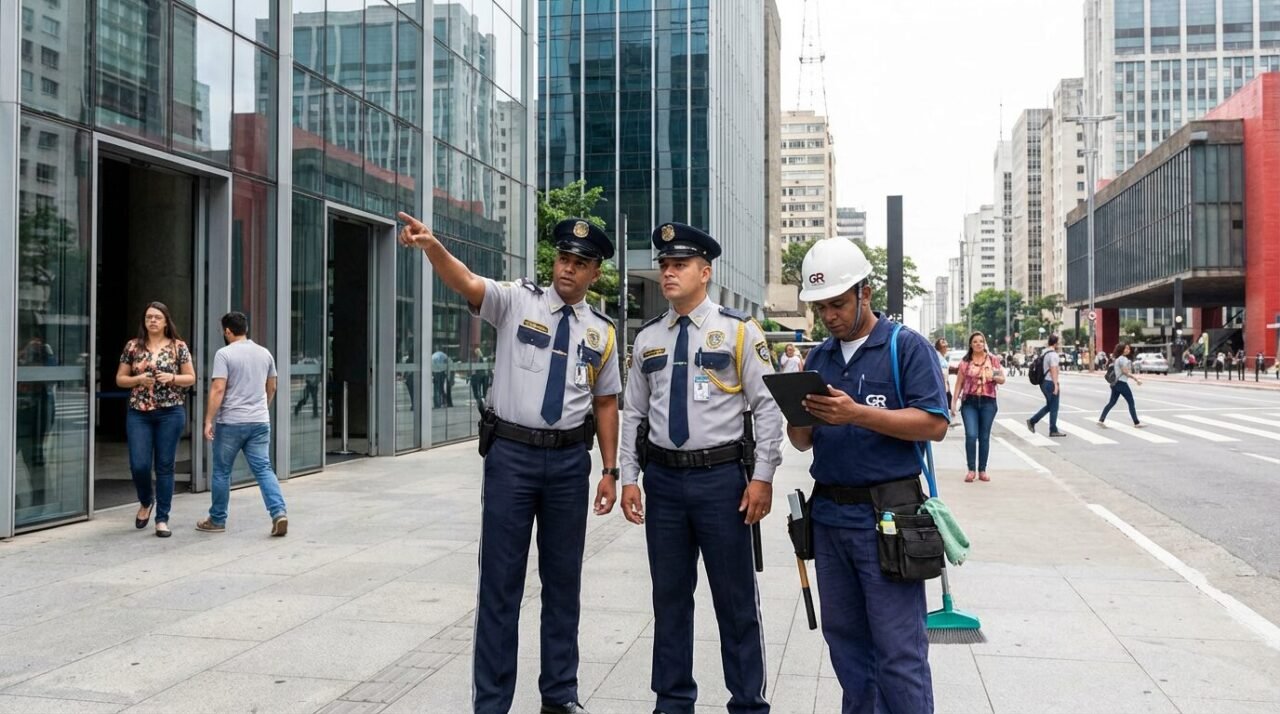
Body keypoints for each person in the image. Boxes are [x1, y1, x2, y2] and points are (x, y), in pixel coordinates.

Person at [399, 212, 620, 714]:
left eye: (579, 262)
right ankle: (492, 703)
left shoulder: (601, 332)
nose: (567, 268)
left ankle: (559, 696)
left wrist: (610, 471)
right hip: (512, 459)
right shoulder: (517, 301)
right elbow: (467, 281)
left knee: (563, 584)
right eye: (563, 258)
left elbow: (606, 402)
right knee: (500, 584)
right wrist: (433, 246)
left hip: (569, 465)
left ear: (595, 272)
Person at [618, 222, 783, 714]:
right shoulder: (648, 337)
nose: (668, 273)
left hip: (721, 481)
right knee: (669, 600)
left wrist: (763, 477)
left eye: (680, 265)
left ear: (705, 272)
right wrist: (629, 477)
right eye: (664, 265)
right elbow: (634, 413)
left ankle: (748, 703)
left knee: (735, 602)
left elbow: (768, 407)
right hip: (664, 482)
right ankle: (672, 703)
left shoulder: (738, 331)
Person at [785, 238, 949, 714]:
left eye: (838, 303)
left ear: (866, 293)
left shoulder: (904, 347)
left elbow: (934, 424)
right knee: (846, 644)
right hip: (830, 517)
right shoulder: (819, 358)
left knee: (898, 651)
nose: (829, 316)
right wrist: (797, 414)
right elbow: (802, 441)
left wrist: (856, 413)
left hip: (888, 518)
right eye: (820, 307)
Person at [197, 312, 288, 537]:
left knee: (221, 471)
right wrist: (263, 408)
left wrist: (208, 420)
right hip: (259, 421)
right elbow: (272, 386)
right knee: (263, 469)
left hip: (231, 423)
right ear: (245, 329)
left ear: (227, 331)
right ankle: (278, 512)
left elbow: (218, 389)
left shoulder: (224, 354)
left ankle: (217, 519)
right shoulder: (264, 353)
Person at [115, 302, 196, 538]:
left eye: (157, 317)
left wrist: (172, 377)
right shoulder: (133, 346)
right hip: (139, 412)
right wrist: (138, 379)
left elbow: (191, 377)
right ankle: (145, 500)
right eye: (148, 317)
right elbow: (120, 379)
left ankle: (162, 518)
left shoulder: (178, 346)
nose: (152, 321)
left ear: (166, 321)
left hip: (170, 412)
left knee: (165, 465)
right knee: (139, 464)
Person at [952, 332, 1004, 483]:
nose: (978, 344)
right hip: (969, 402)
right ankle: (971, 470)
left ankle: (982, 470)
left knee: (984, 437)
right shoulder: (965, 362)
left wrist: (993, 376)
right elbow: (959, 383)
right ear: (971, 344)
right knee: (971, 435)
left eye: (981, 341)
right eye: (975, 342)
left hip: (988, 402)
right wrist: (953, 402)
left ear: (984, 343)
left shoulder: (992, 360)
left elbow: (1002, 379)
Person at [1026, 335, 1066, 438]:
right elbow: (1053, 370)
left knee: (1050, 406)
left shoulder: (1044, 353)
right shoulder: (1053, 355)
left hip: (1043, 382)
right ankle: (1053, 430)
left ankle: (1032, 421)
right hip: (1050, 382)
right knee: (1054, 407)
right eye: (1058, 343)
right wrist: (1056, 385)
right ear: (1055, 343)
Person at [1098, 341, 1144, 428]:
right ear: (1121, 349)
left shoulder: (1118, 359)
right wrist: (1136, 379)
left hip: (1115, 384)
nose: (1128, 350)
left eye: (1128, 348)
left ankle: (1101, 420)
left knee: (1112, 402)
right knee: (1131, 402)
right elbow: (1125, 372)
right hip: (1121, 384)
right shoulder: (1123, 359)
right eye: (1126, 348)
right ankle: (1136, 423)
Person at [470, 345, 491, 410]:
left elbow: (478, 368)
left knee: (478, 389)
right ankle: (483, 401)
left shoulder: (479, 358)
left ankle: (481, 402)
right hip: (484, 375)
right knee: (483, 389)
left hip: (479, 376)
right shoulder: (483, 358)